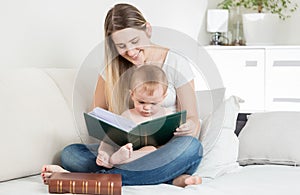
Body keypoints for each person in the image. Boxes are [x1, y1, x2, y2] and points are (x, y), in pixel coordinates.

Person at [42, 3, 203, 187]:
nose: (131, 52)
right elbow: (96, 112)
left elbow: (193, 119)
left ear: (147, 30)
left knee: (192, 148)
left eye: (135, 42)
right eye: (121, 46)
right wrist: (111, 135)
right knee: (71, 154)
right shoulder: (111, 68)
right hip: (123, 153)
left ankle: (89, 180)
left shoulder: (176, 62)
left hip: (164, 151)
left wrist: (189, 126)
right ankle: (171, 178)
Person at [97, 65, 173, 168]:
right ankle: (106, 156)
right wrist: (106, 148)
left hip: (151, 157)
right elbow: (113, 136)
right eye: (141, 102)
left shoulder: (167, 115)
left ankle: (118, 160)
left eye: (153, 103)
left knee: (151, 149)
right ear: (132, 95)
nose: (146, 107)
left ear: (163, 97)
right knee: (107, 140)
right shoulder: (128, 114)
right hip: (125, 149)